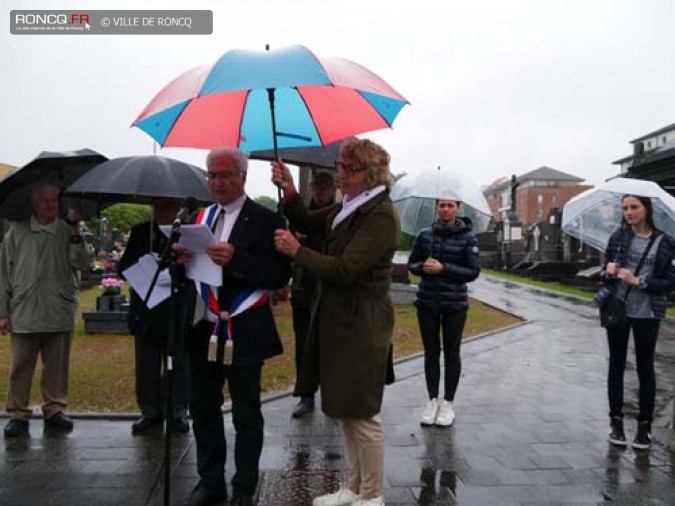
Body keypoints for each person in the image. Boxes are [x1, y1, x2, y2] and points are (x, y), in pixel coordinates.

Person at [272, 138, 399, 506]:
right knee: (345, 408)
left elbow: (346, 270)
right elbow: (305, 220)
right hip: (340, 319)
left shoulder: (379, 215)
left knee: (362, 413)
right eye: (340, 166)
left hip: (362, 322)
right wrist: (290, 190)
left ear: (371, 174)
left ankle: (372, 496)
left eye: (349, 169)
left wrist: (298, 252)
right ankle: (356, 487)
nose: (340, 174)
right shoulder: (351, 207)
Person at [177, 147, 291, 506]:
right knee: (204, 409)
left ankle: (244, 486)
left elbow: (279, 274)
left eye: (225, 175)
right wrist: (182, 260)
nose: (217, 182)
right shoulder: (201, 216)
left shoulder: (266, 219)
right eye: (212, 175)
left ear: (242, 176)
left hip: (244, 329)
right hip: (203, 328)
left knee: (246, 413)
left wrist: (237, 259)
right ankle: (210, 481)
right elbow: (193, 272)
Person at [0, 184, 92, 438]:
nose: (52, 206)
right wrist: (2, 312)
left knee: (56, 366)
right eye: (45, 201)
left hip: (58, 309)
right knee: (20, 366)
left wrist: (75, 231)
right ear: (34, 203)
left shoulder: (66, 230)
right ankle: (18, 414)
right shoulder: (17, 231)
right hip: (24, 309)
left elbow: (83, 262)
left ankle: (55, 409)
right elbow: (3, 273)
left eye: (55, 201)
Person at [595, 194, 675, 450]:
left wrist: (639, 282)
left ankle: (644, 427)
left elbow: (669, 283)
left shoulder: (665, 242)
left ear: (647, 208)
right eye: (625, 208)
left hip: (647, 312)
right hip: (617, 308)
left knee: (645, 367)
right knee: (616, 365)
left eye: (634, 207)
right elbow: (604, 273)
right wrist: (607, 271)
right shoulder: (618, 237)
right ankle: (616, 423)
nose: (629, 212)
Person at [118, 197, 191, 435]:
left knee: (177, 363)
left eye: (168, 208)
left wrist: (175, 272)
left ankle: (177, 411)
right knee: (146, 365)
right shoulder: (142, 232)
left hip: (175, 309)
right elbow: (123, 267)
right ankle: (150, 411)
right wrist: (143, 264)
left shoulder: (186, 234)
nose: (163, 213)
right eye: (158, 208)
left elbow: (196, 268)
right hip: (146, 310)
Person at [407, 198, 480, 427]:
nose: (446, 209)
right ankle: (432, 401)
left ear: (458, 208)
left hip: (454, 304)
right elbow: (412, 263)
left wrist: (444, 269)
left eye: (450, 206)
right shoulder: (424, 235)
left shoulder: (468, 237)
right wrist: (423, 268)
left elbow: (472, 271)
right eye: (442, 205)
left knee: (451, 353)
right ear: (436, 208)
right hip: (428, 301)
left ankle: (448, 403)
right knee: (430, 353)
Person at [291, 170, 337, 418]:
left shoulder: (339, 214)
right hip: (303, 285)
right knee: (302, 344)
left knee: (330, 344)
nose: (319, 190)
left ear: (333, 189)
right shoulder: (297, 215)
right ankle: (305, 395)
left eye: (324, 186)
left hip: (328, 285)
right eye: (315, 186)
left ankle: (332, 393)